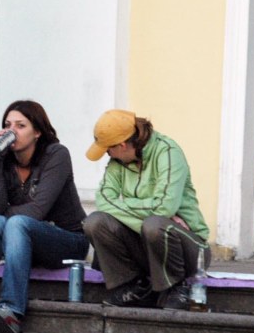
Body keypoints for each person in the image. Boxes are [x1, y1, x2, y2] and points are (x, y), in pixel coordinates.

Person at [0, 100, 88, 333]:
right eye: (8, 125)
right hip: (22, 241)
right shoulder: (7, 160)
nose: (12, 131)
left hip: (68, 241)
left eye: (20, 126)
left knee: (12, 222)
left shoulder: (56, 154)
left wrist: (2, 218)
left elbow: (38, 210)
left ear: (37, 132)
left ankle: (11, 311)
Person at [82, 109, 210, 310]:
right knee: (95, 222)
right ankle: (135, 288)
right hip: (147, 244)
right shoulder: (118, 162)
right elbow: (104, 201)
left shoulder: (168, 152)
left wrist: (149, 216)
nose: (108, 154)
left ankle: (176, 287)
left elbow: (164, 206)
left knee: (155, 226)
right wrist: (151, 217)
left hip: (191, 249)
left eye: (108, 149)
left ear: (122, 145)